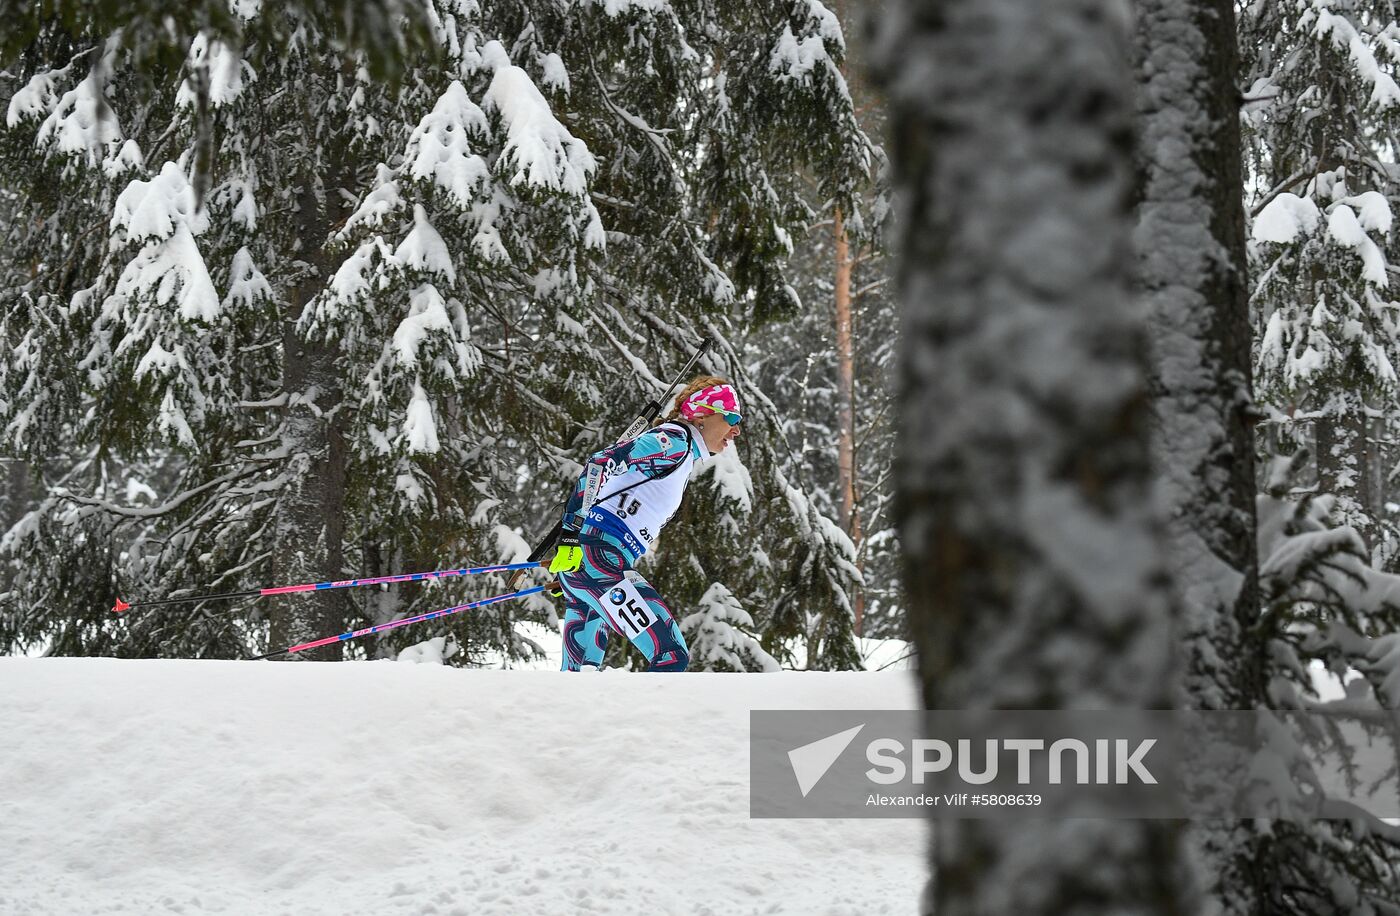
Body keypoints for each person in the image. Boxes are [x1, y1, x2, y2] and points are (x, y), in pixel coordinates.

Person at [549, 376, 743, 671]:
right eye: (731, 417)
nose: (736, 429)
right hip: (599, 560)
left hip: (594, 562)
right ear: (702, 414)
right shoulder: (674, 442)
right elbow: (599, 463)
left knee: (578, 680)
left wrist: (577, 565)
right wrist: (571, 537)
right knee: (671, 656)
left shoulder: (684, 453)